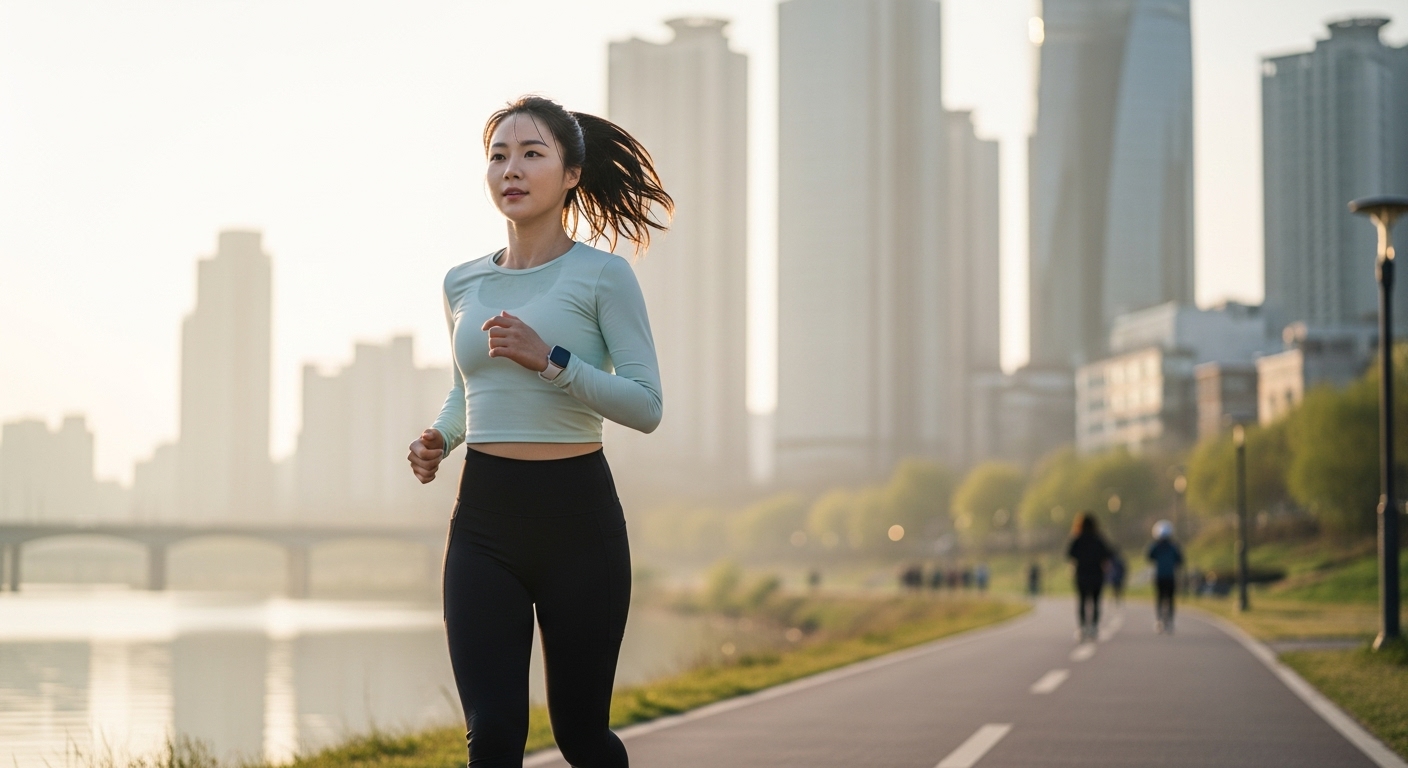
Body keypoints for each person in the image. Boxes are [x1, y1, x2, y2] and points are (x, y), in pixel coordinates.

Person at [406, 95, 671, 768]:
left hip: (579, 522)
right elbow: (468, 391)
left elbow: (645, 406)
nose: (511, 170)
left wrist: (550, 360)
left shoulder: (603, 276)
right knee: (491, 735)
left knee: (582, 735)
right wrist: (439, 438)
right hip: (484, 524)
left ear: (571, 174)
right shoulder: (461, 282)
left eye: (531, 154)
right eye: (498, 156)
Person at [1067, 512, 1113, 641]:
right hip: (1096, 575)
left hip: (1081, 574)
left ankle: (1082, 627)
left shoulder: (1077, 539)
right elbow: (1108, 554)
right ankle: (1093, 626)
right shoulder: (1098, 539)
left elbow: (1069, 554)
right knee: (1096, 602)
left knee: (1082, 601)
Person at [1148, 519, 1185, 633]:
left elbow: (1149, 556)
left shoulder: (1156, 546)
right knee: (1170, 599)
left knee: (1159, 598)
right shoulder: (1174, 546)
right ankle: (1170, 621)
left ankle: (1159, 620)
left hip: (1160, 577)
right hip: (1170, 577)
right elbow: (1180, 560)